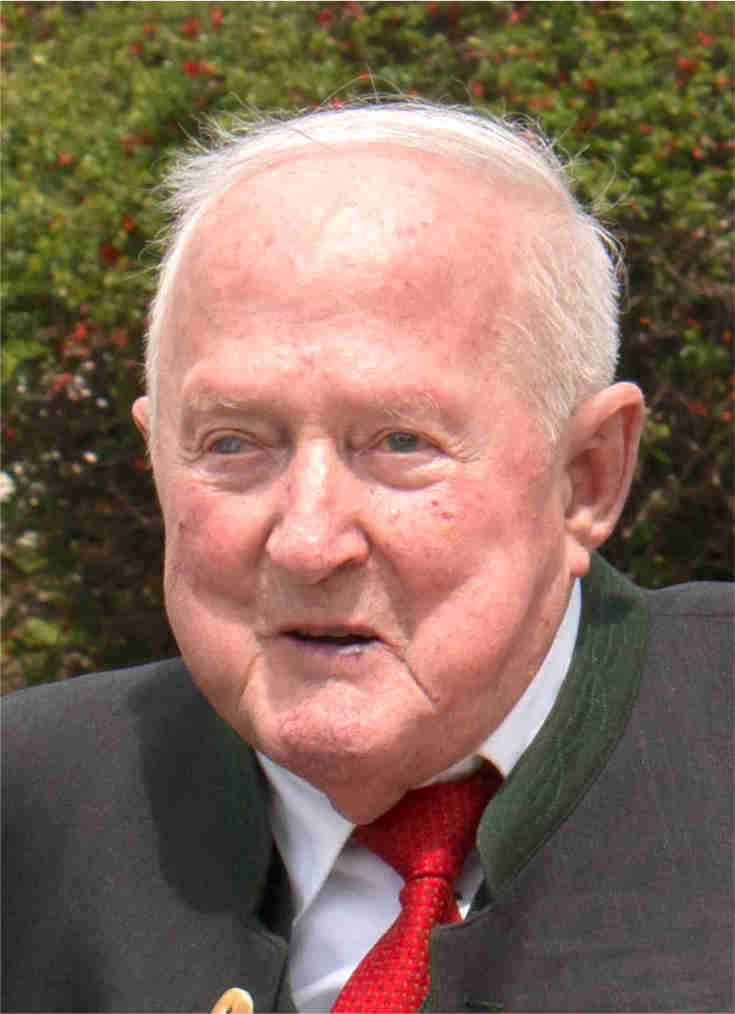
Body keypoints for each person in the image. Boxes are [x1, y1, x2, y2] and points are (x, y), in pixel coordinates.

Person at [2, 102, 732, 1014]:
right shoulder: (27, 810)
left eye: (398, 442)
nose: (308, 542)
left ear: (586, 477)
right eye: (233, 444)